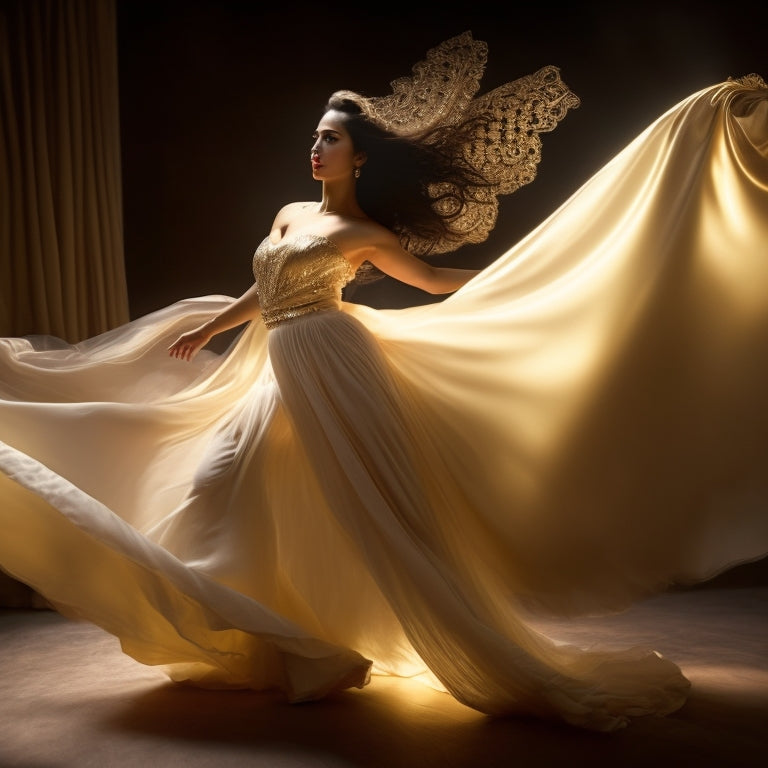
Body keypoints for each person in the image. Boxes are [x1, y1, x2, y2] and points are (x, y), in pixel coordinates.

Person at [1, 32, 767, 733]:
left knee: (352, 507)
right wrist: (209, 329)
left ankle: (315, 649)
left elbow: (431, 280)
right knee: (231, 488)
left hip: (335, 365)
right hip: (279, 362)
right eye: (314, 137)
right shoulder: (290, 213)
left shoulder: (364, 236)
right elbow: (259, 286)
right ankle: (298, 647)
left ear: (358, 158)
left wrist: (523, 278)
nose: (315, 148)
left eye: (329, 140)